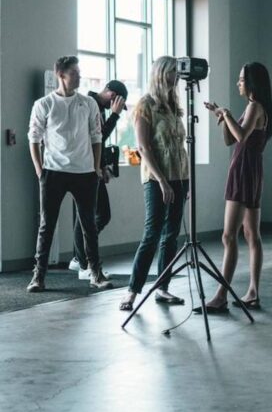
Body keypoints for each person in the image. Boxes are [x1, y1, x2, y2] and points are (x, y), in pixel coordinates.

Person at [27, 56, 112, 292]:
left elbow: (97, 137)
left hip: (85, 173)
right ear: (61, 75)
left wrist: (96, 167)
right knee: (47, 225)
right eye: (74, 72)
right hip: (53, 172)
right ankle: (38, 276)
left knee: (89, 226)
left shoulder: (89, 103)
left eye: (79, 71)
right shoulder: (44, 104)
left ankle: (95, 273)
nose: (79, 75)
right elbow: (33, 138)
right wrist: (39, 170)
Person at [199, 62, 272, 313]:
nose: (238, 83)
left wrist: (228, 114)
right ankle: (252, 292)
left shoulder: (254, 106)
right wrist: (221, 117)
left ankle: (221, 295)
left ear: (252, 82)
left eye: (242, 79)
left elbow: (241, 136)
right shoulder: (254, 107)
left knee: (228, 236)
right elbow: (231, 139)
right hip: (250, 171)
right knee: (251, 235)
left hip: (243, 172)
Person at [119, 56, 189, 311]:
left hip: (179, 176)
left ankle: (163, 288)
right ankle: (132, 291)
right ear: (161, 74)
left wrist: (183, 182)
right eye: (173, 72)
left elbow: (180, 145)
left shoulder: (173, 106)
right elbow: (144, 147)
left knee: (171, 236)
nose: (177, 77)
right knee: (152, 234)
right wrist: (162, 181)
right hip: (156, 179)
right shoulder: (145, 105)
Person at [68, 80, 127, 281]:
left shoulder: (97, 106)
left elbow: (96, 142)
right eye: (118, 103)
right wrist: (116, 116)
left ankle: (80, 256)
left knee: (99, 215)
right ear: (113, 96)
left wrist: (102, 166)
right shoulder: (90, 104)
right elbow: (99, 137)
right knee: (91, 216)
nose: (117, 108)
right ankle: (82, 261)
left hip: (93, 169)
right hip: (84, 170)